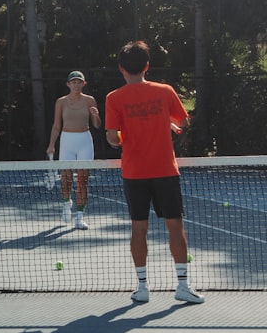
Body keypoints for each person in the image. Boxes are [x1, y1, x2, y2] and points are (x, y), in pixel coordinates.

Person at [105, 40, 204, 304]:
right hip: (164, 171)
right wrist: (166, 123)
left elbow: (113, 139)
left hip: (134, 173)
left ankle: (142, 288)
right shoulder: (165, 91)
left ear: (121, 69)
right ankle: (182, 286)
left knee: (139, 229)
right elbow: (182, 121)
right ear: (147, 66)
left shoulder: (113, 98)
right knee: (175, 227)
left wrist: (128, 135)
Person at [46, 71, 101, 230]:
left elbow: (97, 125)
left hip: (84, 140)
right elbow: (57, 125)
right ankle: (66, 204)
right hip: (67, 141)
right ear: (68, 84)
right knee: (65, 179)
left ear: (84, 84)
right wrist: (51, 145)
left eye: (79, 82)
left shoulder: (90, 100)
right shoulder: (61, 102)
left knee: (83, 180)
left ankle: (79, 217)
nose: (76, 85)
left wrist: (96, 116)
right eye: (73, 82)